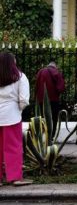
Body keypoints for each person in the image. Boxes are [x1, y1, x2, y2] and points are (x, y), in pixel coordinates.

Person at [0, 52, 32, 186]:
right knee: (13, 146)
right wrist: (18, 109)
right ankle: (15, 177)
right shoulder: (20, 76)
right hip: (11, 115)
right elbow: (24, 99)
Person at [35, 61, 66, 139]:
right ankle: (51, 136)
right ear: (55, 66)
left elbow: (36, 85)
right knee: (54, 118)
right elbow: (61, 87)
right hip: (53, 98)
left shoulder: (40, 72)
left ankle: (43, 136)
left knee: (43, 117)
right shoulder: (56, 72)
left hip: (41, 99)